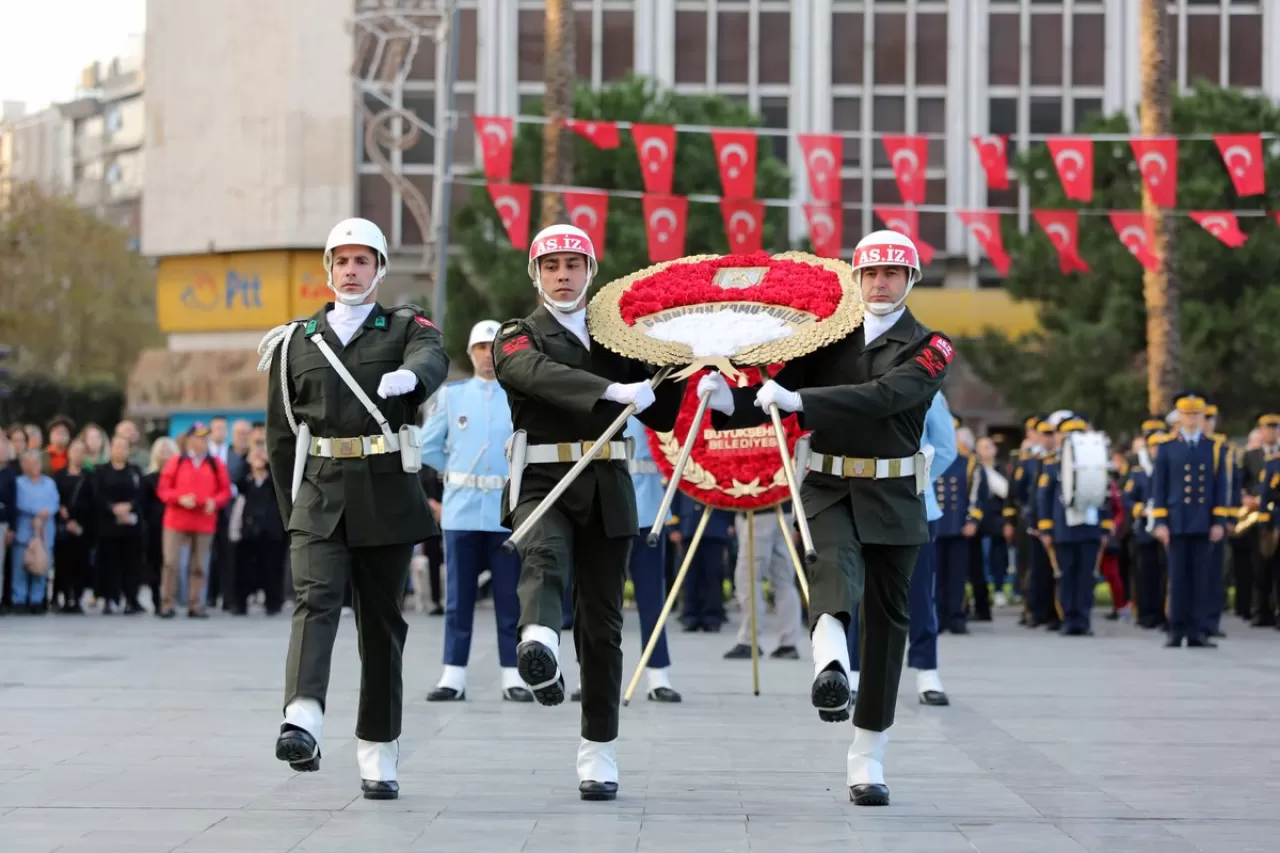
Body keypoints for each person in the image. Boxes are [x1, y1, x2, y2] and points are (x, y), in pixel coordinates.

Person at [699, 228, 953, 806]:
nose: (880, 283)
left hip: (894, 495)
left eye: (892, 273)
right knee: (831, 564)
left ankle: (867, 757)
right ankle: (830, 665)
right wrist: (725, 401)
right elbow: (774, 390)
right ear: (856, 279)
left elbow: (889, 396)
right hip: (828, 483)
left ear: (910, 280)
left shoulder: (930, 346)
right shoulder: (827, 338)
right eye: (870, 274)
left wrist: (802, 404)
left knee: (889, 627)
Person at [492, 223, 686, 801]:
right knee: (544, 555)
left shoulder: (621, 337)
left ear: (591, 271)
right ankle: (539, 644)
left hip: (605, 486)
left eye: (574, 265)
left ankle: (598, 751)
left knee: (603, 627)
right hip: (543, 479)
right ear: (537, 275)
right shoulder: (517, 333)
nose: (563, 275)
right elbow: (530, 374)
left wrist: (676, 366)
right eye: (551, 266)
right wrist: (609, 391)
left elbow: (662, 415)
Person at [258, 216, 449, 800]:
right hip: (319, 495)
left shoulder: (406, 327)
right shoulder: (297, 341)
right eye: (341, 260)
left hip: (386, 491)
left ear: (380, 269)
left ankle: (377, 749)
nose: (350, 269)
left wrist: (409, 380)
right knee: (314, 602)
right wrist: (293, 512)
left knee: (381, 626)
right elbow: (281, 435)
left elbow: (432, 358)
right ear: (329, 268)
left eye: (362, 260)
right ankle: (303, 718)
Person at [421, 319, 531, 703]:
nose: (486, 355)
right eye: (480, 348)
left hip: (505, 510)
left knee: (509, 598)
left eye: (492, 347)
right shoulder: (452, 396)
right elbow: (428, 445)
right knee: (458, 598)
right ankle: (453, 675)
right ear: (470, 353)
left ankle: (512, 674)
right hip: (462, 509)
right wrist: (451, 470)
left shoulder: (519, 395)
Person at [847, 389, 958, 706]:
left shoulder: (928, 393)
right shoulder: (858, 387)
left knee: (919, 594)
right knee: (860, 592)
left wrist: (912, 482)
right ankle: (854, 672)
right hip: (865, 502)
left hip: (915, 504)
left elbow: (946, 449)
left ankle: (927, 672)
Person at [1149, 393, 1228, 648]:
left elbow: (1220, 487)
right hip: (1177, 521)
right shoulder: (1167, 446)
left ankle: (1197, 630)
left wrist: (1218, 521)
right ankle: (1176, 629)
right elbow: (1159, 488)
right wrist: (1160, 522)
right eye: (1187, 414)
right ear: (1180, 417)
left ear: (1203, 417)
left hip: (1203, 521)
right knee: (1178, 577)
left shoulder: (1214, 448)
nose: (1192, 419)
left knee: (1201, 578)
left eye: (1196, 415)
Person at [1035, 415, 1113, 636]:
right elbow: (1045, 498)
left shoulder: (1097, 462)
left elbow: (1104, 494)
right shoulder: (1052, 464)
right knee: (1066, 574)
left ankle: (1084, 618)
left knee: (1086, 575)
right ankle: (1068, 617)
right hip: (1064, 528)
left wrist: (1105, 527)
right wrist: (1047, 528)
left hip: (1089, 528)